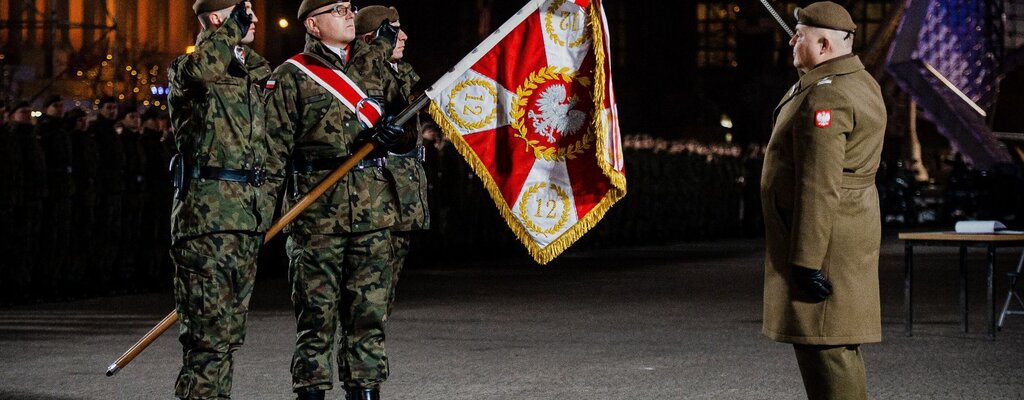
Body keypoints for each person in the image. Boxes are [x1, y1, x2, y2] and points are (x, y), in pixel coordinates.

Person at [265, 1, 407, 398]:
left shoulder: (374, 67)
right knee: (316, 322)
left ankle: (364, 392)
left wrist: (397, 135)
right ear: (313, 24)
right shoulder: (291, 76)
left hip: (373, 213)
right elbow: (272, 154)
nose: (349, 14)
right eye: (338, 9)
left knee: (369, 321)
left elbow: (408, 124)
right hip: (316, 219)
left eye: (350, 7)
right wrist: (258, 220)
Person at [759, 2, 886, 399]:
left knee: (827, 350)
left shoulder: (826, 97)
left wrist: (805, 262)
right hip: (847, 228)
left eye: (801, 35)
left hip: (824, 240)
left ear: (825, 45)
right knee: (834, 346)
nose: (792, 40)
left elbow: (818, 184)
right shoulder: (856, 81)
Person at [166, 1, 277, 398]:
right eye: (242, 11)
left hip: (246, 218)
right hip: (206, 222)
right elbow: (201, 70)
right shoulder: (188, 68)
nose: (254, 19)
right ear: (218, 18)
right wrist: (229, 31)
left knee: (229, 336)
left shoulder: (255, 71)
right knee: (206, 339)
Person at [355, 5, 427, 317]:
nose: (404, 37)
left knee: (385, 295)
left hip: (404, 195)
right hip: (380, 195)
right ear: (373, 37)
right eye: (395, 31)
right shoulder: (367, 74)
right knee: (368, 296)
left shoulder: (403, 74)